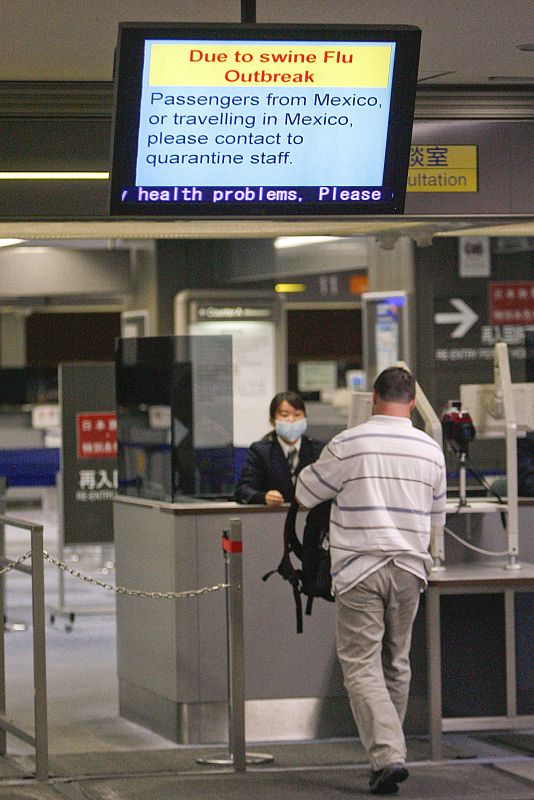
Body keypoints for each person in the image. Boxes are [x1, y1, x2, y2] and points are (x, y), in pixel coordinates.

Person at [296, 367, 446, 796]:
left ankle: (387, 756)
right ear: (413, 401)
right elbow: (438, 518)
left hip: (361, 569)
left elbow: (305, 493)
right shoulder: (430, 450)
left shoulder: (350, 443)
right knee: (396, 662)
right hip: (410, 570)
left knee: (361, 664)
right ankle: (386, 756)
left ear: (373, 397)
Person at [234, 390, 323, 506]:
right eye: (285, 415)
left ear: (305, 418)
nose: (291, 420)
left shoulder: (317, 449)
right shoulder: (261, 451)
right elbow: (243, 491)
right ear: (272, 421)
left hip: (310, 517)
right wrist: (264, 497)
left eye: (297, 414)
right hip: (273, 517)